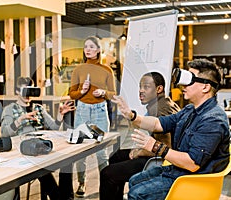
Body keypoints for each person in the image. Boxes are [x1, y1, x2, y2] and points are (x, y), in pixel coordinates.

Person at [113, 59, 230, 199]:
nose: (183, 85)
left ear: (205, 87)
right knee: (134, 181)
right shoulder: (189, 110)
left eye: (190, 80)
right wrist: (131, 115)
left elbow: (192, 164)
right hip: (179, 170)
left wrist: (155, 146)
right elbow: (158, 124)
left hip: (193, 179)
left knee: (137, 193)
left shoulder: (212, 120)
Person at [100, 72, 180, 200]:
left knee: (107, 173)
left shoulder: (160, 110)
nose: (141, 91)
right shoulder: (164, 103)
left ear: (159, 89)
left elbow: (164, 148)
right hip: (159, 155)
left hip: (162, 162)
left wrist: (139, 152)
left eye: (146, 87)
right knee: (116, 156)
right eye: (140, 87)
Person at [1, 77, 75, 200]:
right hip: (22, 149)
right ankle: (57, 197)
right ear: (17, 91)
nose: (28, 94)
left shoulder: (38, 108)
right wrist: (20, 120)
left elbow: (54, 127)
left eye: (31, 90)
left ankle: (66, 197)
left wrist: (60, 115)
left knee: (67, 160)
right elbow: (4, 133)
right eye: (25, 90)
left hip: (41, 145)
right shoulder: (10, 109)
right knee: (42, 167)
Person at [69, 36, 116, 197]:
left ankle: (106, 184)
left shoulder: (107, 70)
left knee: (100, 152)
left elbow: (113, 94)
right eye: (85, 47)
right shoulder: (78, 70)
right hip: (82, 111)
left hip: (100, 112)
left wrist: (103, 92)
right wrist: (82, 91)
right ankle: (81, 183)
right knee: (79, 151)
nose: (87, 49)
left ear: (97, 50)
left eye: (91, 47)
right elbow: (71, 94)